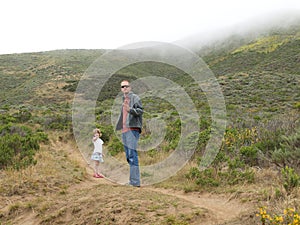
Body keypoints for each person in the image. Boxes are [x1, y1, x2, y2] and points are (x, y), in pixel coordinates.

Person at [116, 80, 143, 187]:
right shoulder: (124, 100)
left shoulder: (135, 98)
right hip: (125, 130)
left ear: (130, 87)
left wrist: (130, 110)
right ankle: (133, 180)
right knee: (128, 155)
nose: (124, 88)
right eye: (122, 87)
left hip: (132, 129)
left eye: (126, 86)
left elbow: (140, 111)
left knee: (132, 154)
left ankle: (135, 182)